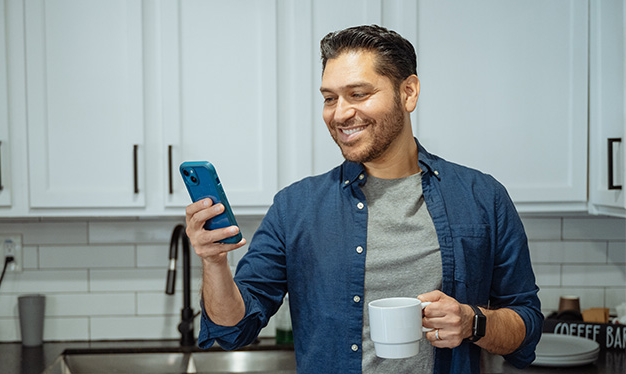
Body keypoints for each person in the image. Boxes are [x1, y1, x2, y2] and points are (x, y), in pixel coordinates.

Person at [186, 24, 543, 374]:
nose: (340, 113)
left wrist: (472, 323)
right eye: (329, 98)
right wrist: (214, 263)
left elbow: (525, 324)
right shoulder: (295, 208)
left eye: (358, 94)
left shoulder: (482, 197)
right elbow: (234, 330)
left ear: (408, 93)